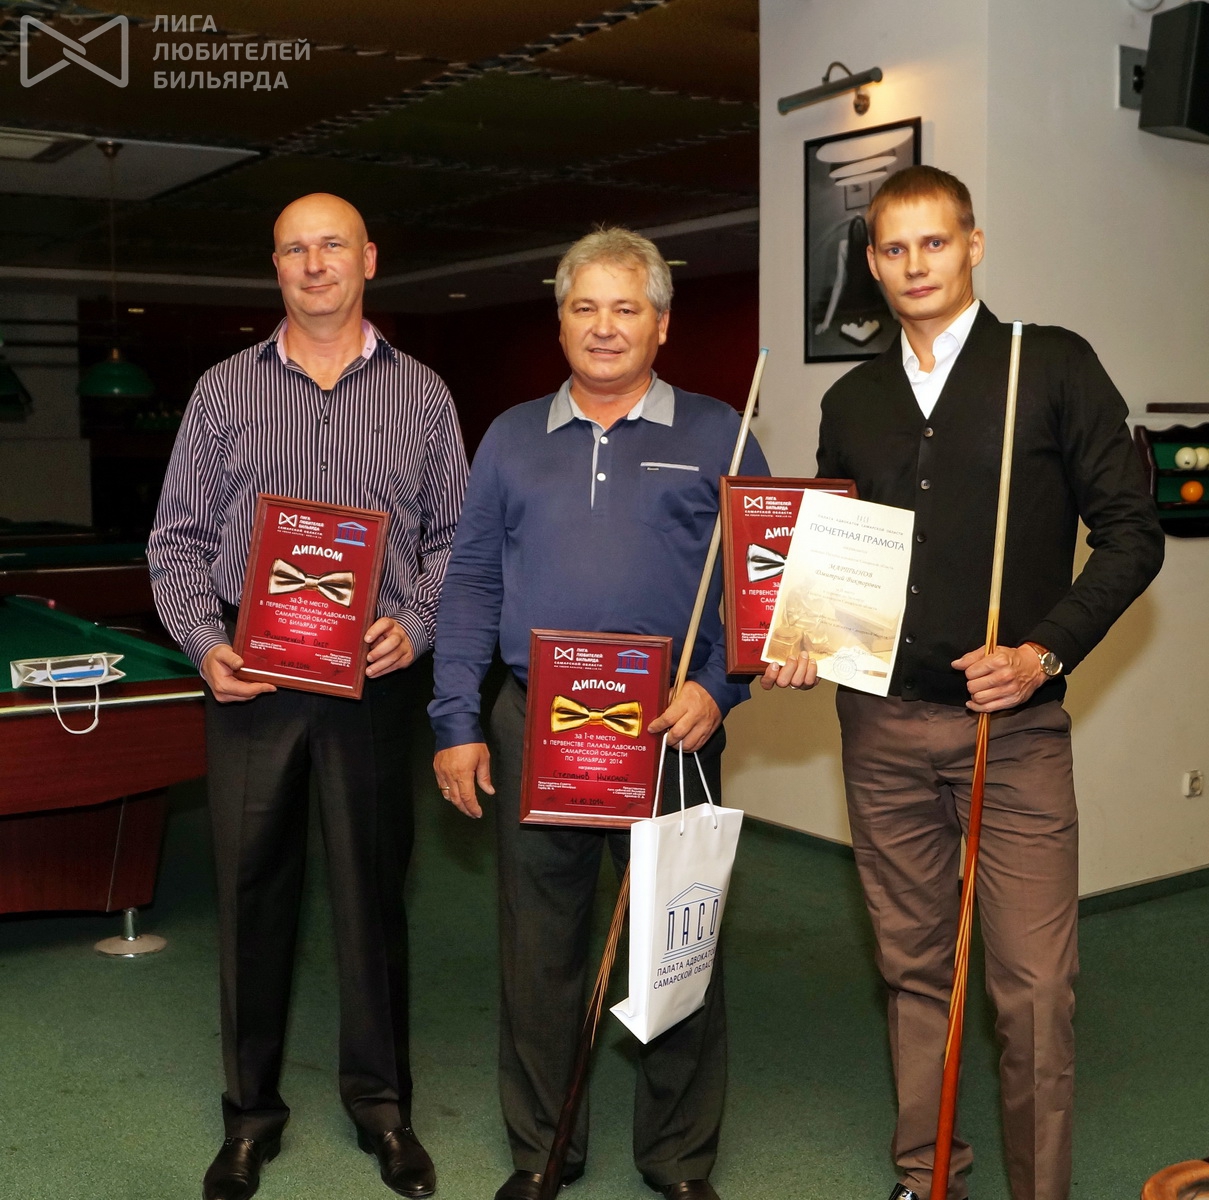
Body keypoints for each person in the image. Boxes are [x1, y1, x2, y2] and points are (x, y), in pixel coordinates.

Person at [764, 166, 1164, 1200]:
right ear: (871, 263)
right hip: (880, 730)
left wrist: (1042, 652)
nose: (914, 265)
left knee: (1033, 989)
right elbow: (840, 561)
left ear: (972, 246)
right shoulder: (851, 401)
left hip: (1015, 737)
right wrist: (803, 638)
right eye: (894, 249)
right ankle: (926, 1173)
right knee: (914, 972)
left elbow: (1132, 534)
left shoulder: (1051, 364)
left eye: (933, 243)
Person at [430, 227, 766, 1200]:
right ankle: (544, 1148)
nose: (605, 326)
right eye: (585, 307)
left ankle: (678, 1158)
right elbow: (471, 583)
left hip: (670, 726)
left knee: (675, 942)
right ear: (560, 322)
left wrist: (719, 687)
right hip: (537, 722)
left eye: (627, 308)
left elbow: (763, 585)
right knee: (539, 951)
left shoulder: (719, 432)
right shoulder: (508, 437)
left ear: (661, 325)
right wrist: (455, 721)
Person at [148, 193, 468, 1200]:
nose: (315, 263)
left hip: (373, 681)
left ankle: (383, 1109)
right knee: (249, 900)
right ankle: (249, 1118)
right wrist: (205, 645)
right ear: (275, 267)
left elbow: (456, 541)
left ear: (369, 258)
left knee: (372, 901)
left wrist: (415, 622)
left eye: (333, 245)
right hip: (252, 681)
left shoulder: (422, 395)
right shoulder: (221, 391)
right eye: (295, 248)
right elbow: (175, 539)